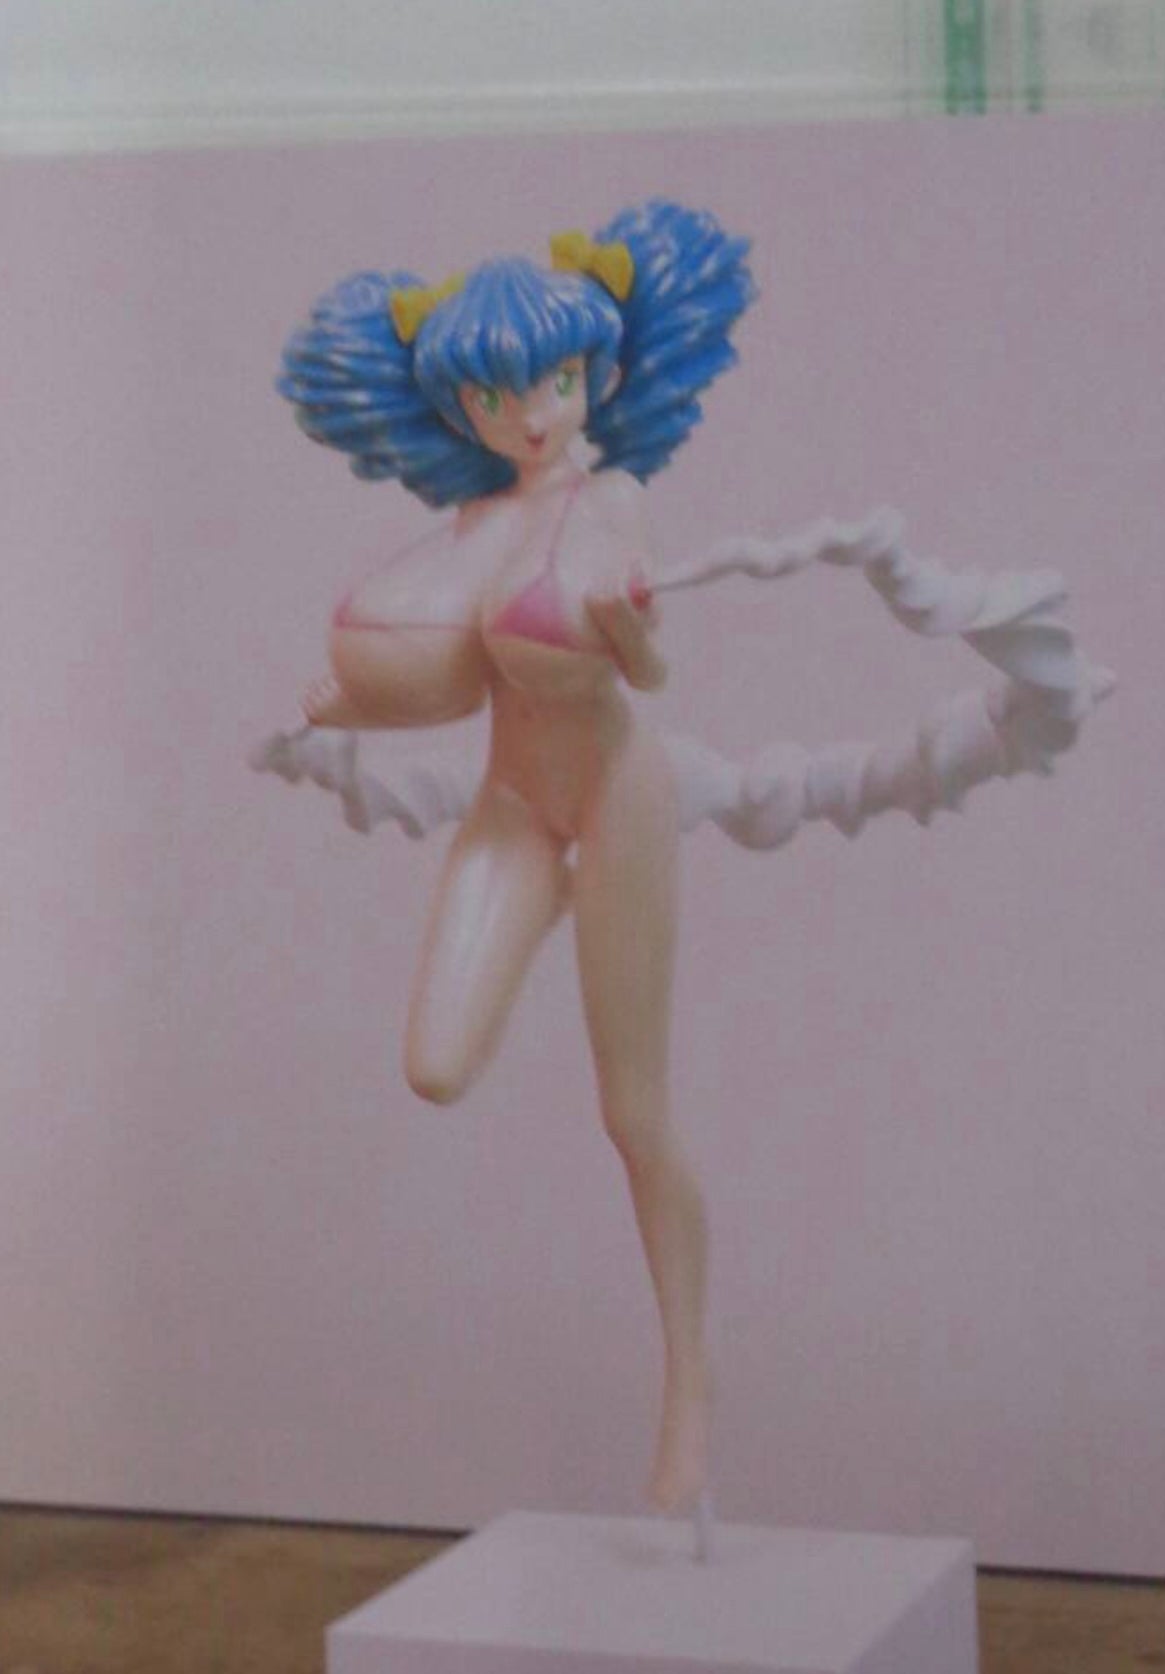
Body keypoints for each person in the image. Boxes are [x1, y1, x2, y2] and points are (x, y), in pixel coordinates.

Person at [276, 200, 757, 1518]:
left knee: (633, 1115)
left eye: (550, 382)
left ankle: (690, 1394)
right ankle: (541, 907)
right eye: (496, 396)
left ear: (591, 372)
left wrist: (629, 626)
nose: (531, 415)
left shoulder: (615, 499)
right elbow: (444, 679)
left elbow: (648, 671)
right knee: (435, 1065)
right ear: (464, 410)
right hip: (513, 803)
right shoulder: (472, 527)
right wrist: (346, 705)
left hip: (615, 794)